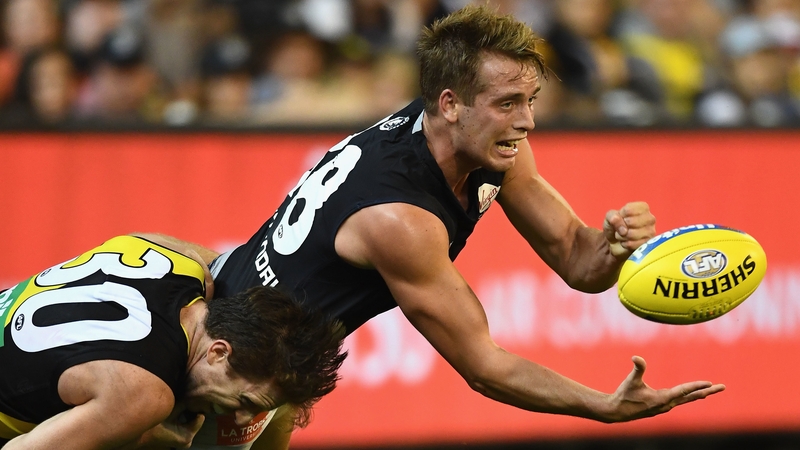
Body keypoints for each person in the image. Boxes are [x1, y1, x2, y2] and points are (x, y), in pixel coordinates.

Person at [163, 5, 726, 449]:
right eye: (509, 103)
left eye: (530, 100)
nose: (526, 121)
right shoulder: (399, 218)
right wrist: (601, 405)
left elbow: (579, 262)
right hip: (228, 360)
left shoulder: (485, 139)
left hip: (273, 358)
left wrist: (614, 245)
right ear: (452, 103)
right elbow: (483, 366)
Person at [0, 233, 346, 449]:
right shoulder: (145, 396)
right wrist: (133, 440)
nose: (242, 421)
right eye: (245, 401)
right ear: (219, 351)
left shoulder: (182, 260)